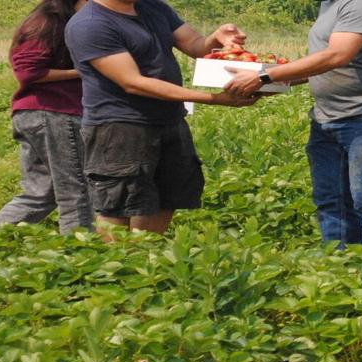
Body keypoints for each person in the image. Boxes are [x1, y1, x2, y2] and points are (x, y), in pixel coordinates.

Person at [223, 0, 362, 249]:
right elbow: (323, 62)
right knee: (333, 200)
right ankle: (341, 269)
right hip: (328, 117)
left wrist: (264, 76)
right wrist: (272, 83)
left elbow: (337, 55)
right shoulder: (331, 5)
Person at [64, 0, 261, 235]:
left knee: (166, 199)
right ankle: (114, 267)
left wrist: (216, 38)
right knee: (118, 205)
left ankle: (147, 262)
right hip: (120, 127)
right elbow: (133, 83)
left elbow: (196, 46)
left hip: (170, 120)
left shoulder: (154, 7)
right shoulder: (90, 24)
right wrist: (214, 98)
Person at [0, 0, 94, 234]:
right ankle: (82, 256)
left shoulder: (60, 19)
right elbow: (28, 72)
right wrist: (84, 71)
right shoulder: (48, 22)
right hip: (54, 113)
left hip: (40, 114)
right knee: (76, 193)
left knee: (42, 194)